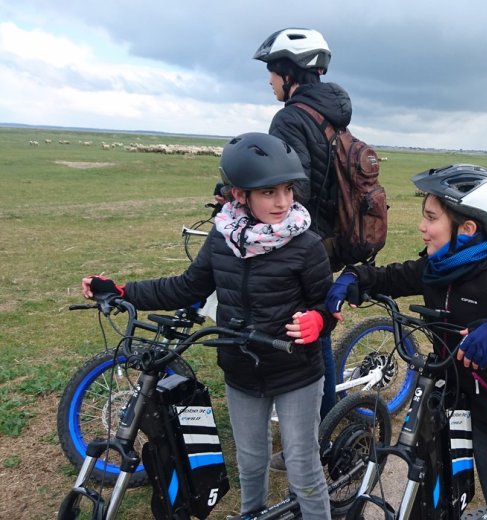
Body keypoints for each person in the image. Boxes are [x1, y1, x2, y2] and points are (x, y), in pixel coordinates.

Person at [83, 133, 334, 520]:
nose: (283, 202)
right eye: (269, 192)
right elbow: (187, 287)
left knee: (303, 468)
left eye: (288, 190)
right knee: (251, 462)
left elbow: (327, 305)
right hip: (240, 367)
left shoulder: (306, 244)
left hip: (295, 370)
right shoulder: (222, 237)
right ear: (239, 194)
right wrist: (123, 291)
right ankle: (253, 514)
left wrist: (319, 320)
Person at [324, 164, 487, 520]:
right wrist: (356, 277)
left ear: (466, 229)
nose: (422, 227)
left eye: (431, 218)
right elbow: (392, 276)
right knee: (437, 494)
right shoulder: (437, 268)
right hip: (446, 398)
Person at [250, 28, 354, 438]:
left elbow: (295, 188)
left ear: (290, 73)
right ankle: (317, 420)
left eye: (273, 72)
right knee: (313, 325)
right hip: (329, 238)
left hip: (304, 242)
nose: (270, 81)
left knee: (311, 331)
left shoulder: (291, 117)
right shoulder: (331, 115)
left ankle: (321, 431)